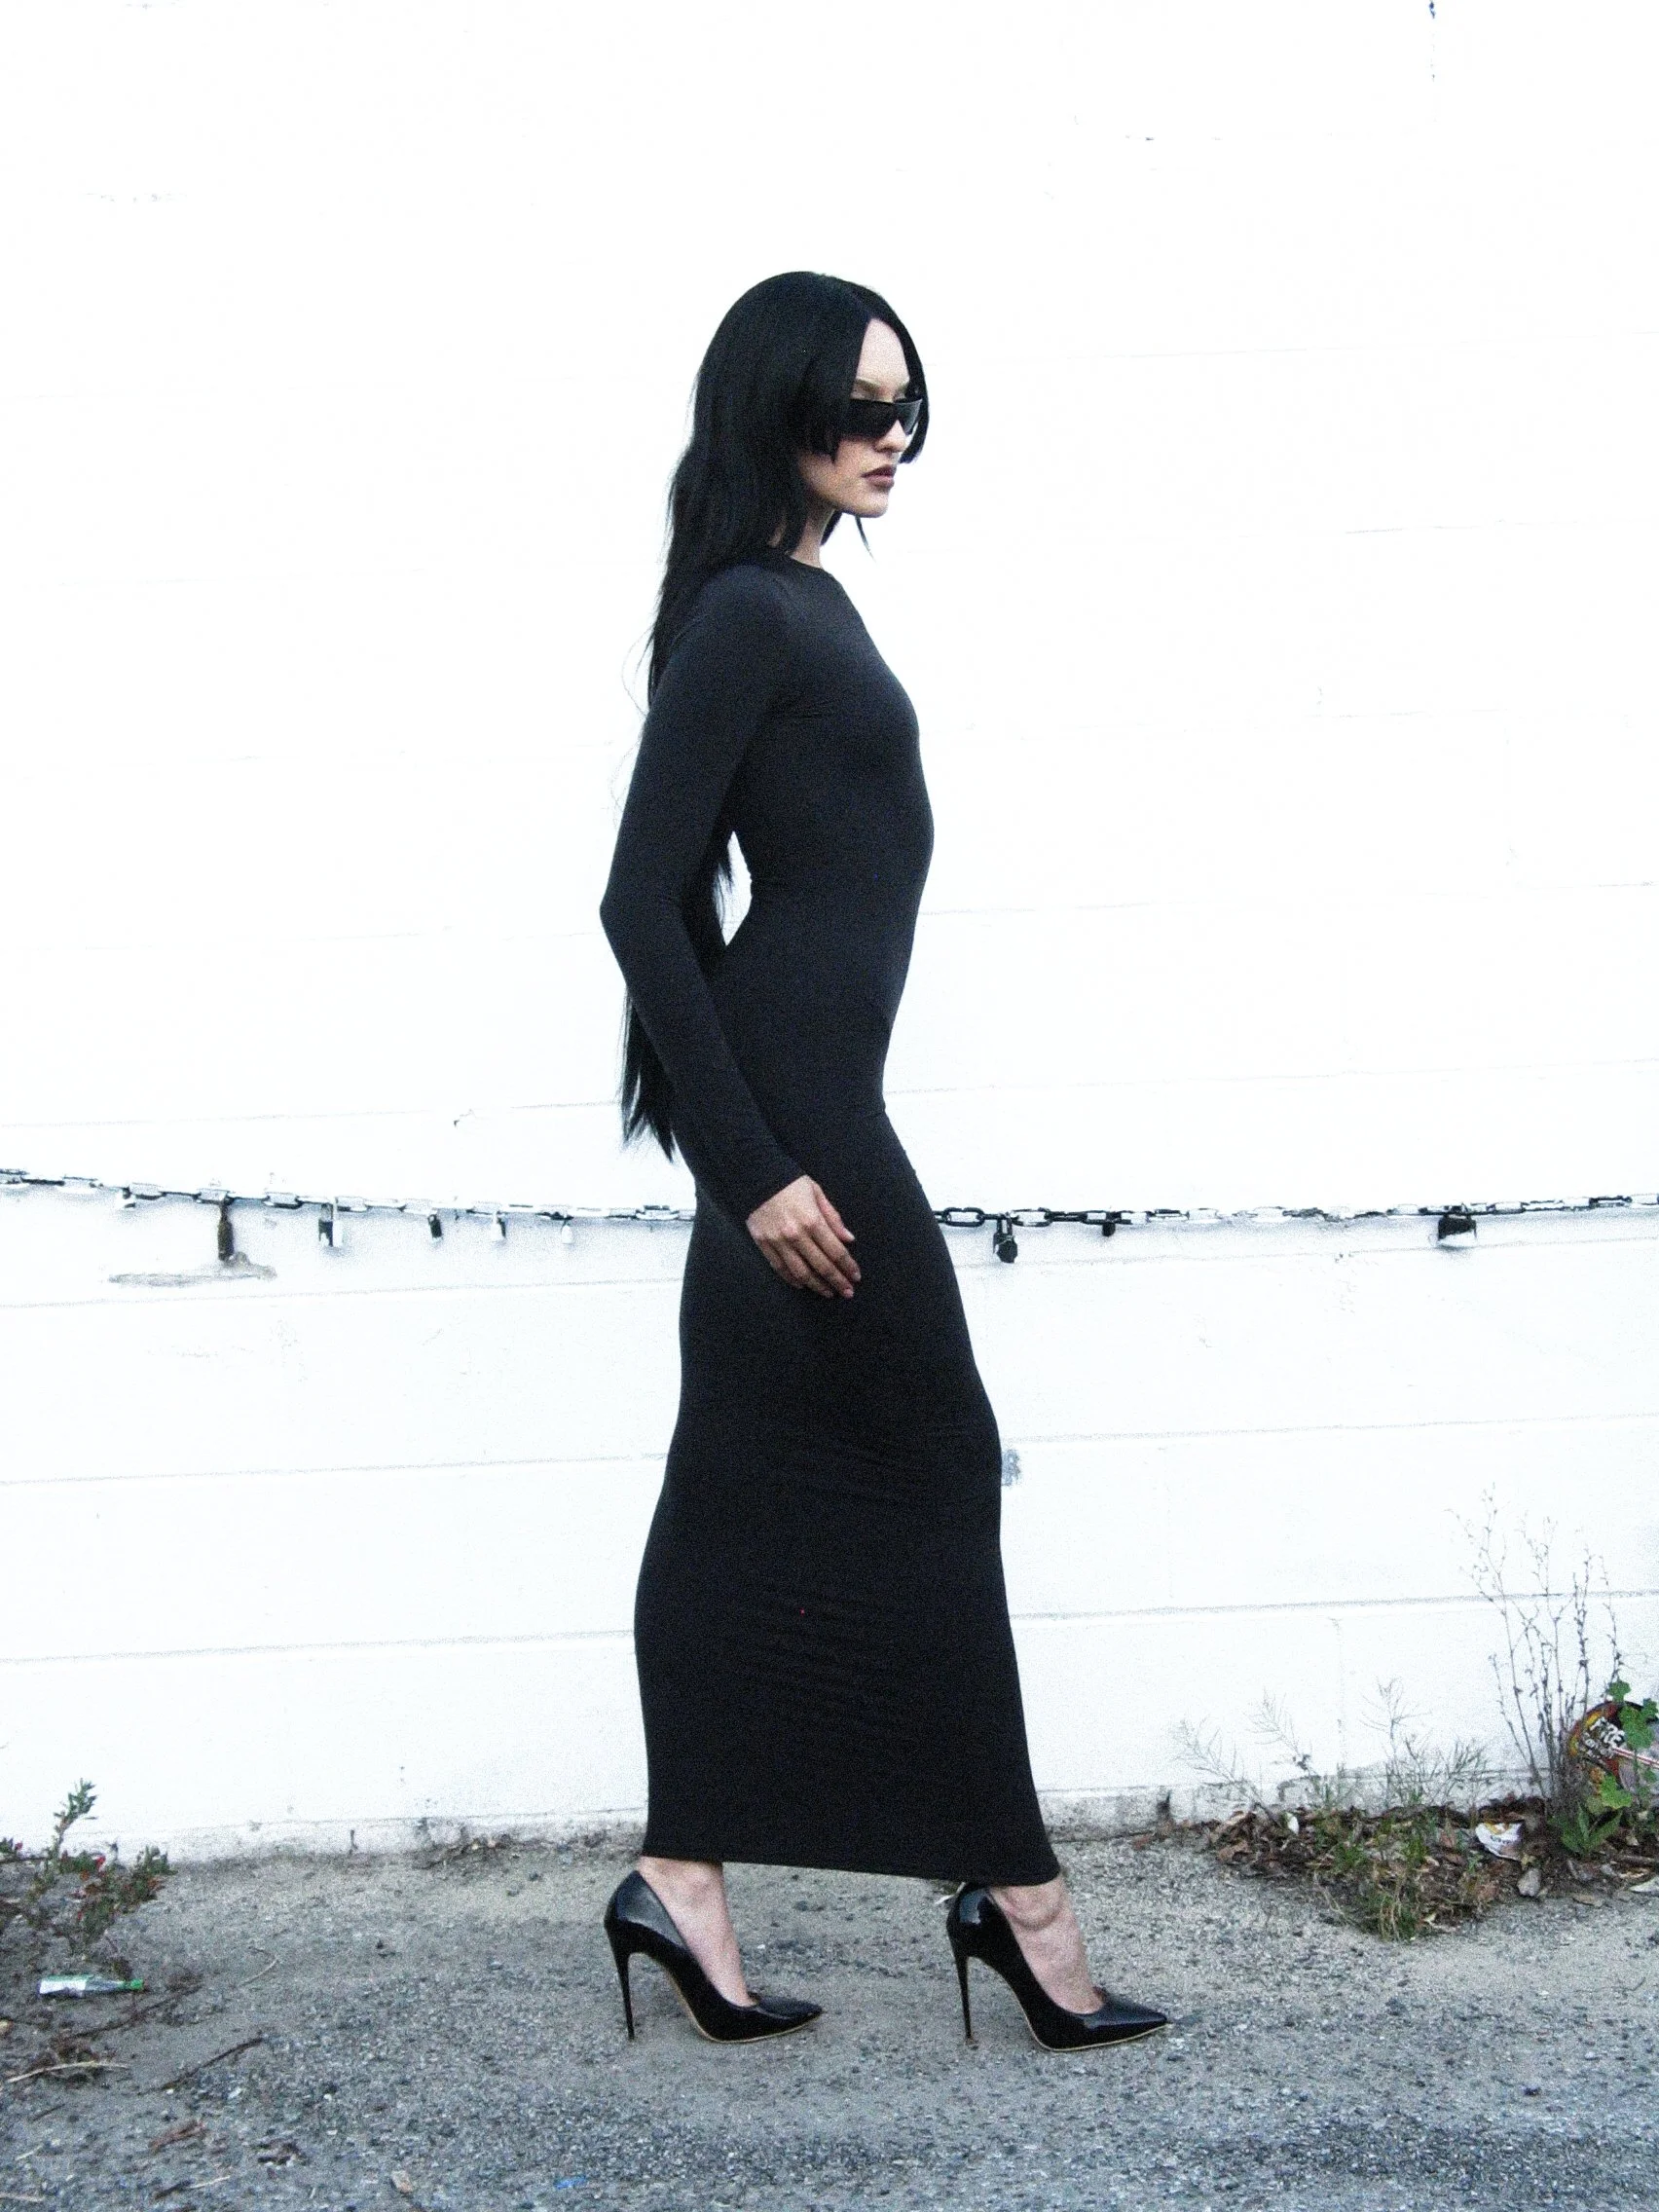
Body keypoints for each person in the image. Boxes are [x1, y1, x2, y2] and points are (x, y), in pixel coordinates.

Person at [597, 271, 1167, 2052]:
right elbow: (638, 902)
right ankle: (1019, 1899)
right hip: (801, 1129)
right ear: (773, 408)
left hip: (810, 1107)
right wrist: (750, 1166)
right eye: (857, 408)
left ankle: (684, 1881)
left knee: (744, 1481)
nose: (889, 437)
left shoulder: (797, 609)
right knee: (933, 1455)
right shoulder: (752, 618)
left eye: (908, 407)